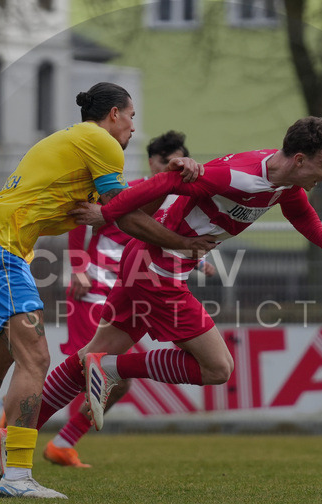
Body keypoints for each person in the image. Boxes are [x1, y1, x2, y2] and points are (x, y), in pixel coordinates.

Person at [0, 82, 206, 499]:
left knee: (1, 353)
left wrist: (162, 185)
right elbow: (125, 216)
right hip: (0, 247)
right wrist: (182, 243)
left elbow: (112, 211)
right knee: (36, 358)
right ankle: (17, 478)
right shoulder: (102, 141)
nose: (134, 127)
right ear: (114, 114)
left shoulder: (77, 141)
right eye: (132, 116)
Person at [33, 116, 322, 435]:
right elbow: (166, 181)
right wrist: (106, 213)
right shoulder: (239, 176)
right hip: (156, 273)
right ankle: (110, 369)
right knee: (217, 368)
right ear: (299, 159)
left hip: (143, 265)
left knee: (86, 357)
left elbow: (298, 210)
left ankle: (15, 431)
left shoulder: (282, 181)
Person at [40, 131, 215, 468]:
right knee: (88, 367)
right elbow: (82, 218)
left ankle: (61, 443)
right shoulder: (128, 191)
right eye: (165, 161)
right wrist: (77, 267)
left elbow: (167, 244)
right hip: (95, 285)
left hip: (133, 290)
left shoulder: (179, 202)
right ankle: (13, 422)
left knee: (116, 380)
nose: (170, 167)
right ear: (152, 162)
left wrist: (200, 260)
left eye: (177, 161)